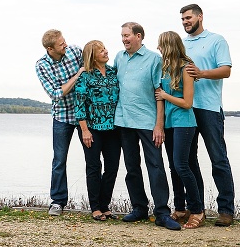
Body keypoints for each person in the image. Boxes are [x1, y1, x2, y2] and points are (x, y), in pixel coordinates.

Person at [113, 22, 181, 230]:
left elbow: (159, 94)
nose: (124, 39)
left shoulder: (154, 59)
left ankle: (162, 213)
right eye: (122, 36)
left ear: (139, 36)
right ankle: (139, 208)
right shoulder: (118, 57)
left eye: (127, 36)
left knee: (156, 167)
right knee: (132, 168)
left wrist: (159, 125)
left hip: (148, 122)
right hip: (124, 121)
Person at [179, 4, 235, 227]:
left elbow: (226, 70)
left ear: (200, 17)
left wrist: (202, 73)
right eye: (183, 19)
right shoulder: (181, 44)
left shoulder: (216, 40)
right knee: (189, 162)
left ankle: (226, 210)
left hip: (210, 109)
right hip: (186, 109)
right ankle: (197, 209)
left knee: (218, 159)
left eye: (189, 18)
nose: (185, 22)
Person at [154, 31, 205, 229]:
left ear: (169, 46)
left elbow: (187, 102)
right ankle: (180, 208)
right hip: (170, 124)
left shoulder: (186, 68)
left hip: (185, 123)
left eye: (161, 45)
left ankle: (198, 210)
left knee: (182, 166)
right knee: (174, 167)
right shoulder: (164, 69)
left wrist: (165, 96)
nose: (158, 48)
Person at [35, 29, 84, 216]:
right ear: (50, 48)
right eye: (61, 44)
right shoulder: (42, 65)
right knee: (59, 160)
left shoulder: (75, 51)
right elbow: (56, 94)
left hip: (83, 116)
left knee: (92, 160)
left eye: (65, 41)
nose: (66, 45)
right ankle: (57, 201)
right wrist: (77, 75)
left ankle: (97, 203)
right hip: (62, 116)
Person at [73, 40, 122, 221]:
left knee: (112, 167)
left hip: (113, 129)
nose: (105, 51)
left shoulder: (113, 72)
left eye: (104, 48)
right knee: (94, 167)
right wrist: (85, 130)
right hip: (91, 129)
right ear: (92, 56)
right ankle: (95, 208)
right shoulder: (85, 75)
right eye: (101, 50)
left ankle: (105, 205)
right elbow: (79, 105)